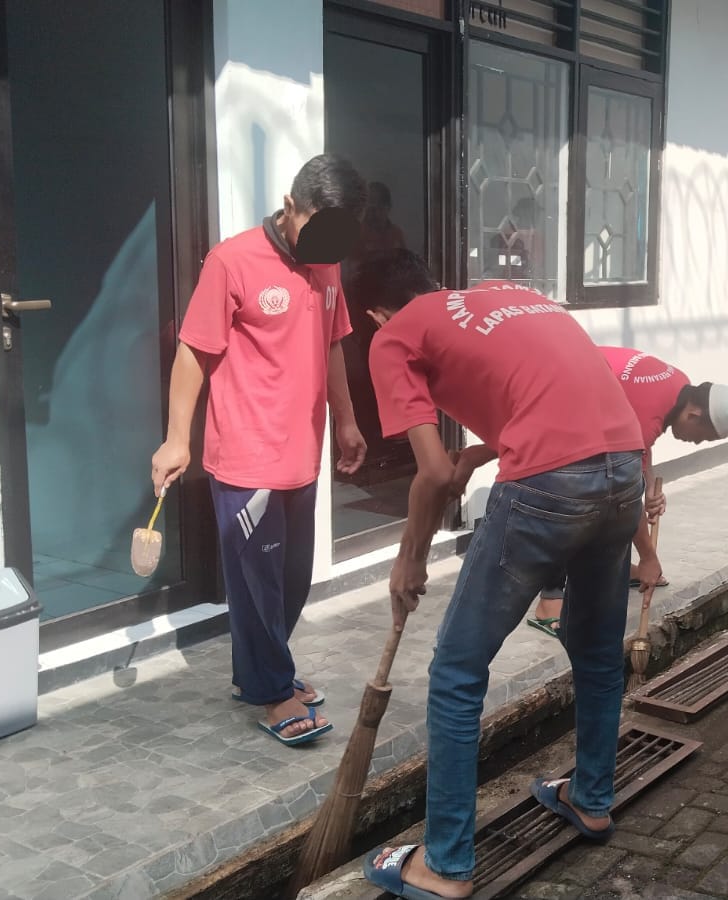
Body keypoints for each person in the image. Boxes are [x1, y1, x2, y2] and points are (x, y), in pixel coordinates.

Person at [357, 251, 645, 898]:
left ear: (376, 314)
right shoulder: (506, 293)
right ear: (435, 286)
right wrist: (484, 450)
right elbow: (555, 387)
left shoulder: (394, 336)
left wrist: (409, 558)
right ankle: (592, 799)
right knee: (597, 652)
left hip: (549, 483)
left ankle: (446, 864)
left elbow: (430, 475)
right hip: (624, 466)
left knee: (458, 671)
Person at [150, 154, 369, 746]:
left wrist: (346, 420)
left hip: (303, 452)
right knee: (256, 585)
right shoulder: (232, 261)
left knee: (292, 578)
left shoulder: (327, 267)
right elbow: (194, 352)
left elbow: (333, 346)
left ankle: (260, 674)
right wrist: (176, 438)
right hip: (247, 456)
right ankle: (273, 691)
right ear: (289, 205)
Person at [526, 352, 728, 638]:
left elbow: (640, 443)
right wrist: (649, 557)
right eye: (702, 435)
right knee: (572, 495)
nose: (696, 442)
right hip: (553, 394)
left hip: (582, 394)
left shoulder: (680, 387)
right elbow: (626, 496)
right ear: (694, 414)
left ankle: (620, 569)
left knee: (610, 488)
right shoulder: (651, 411)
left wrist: (649, 483)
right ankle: (550, 601)